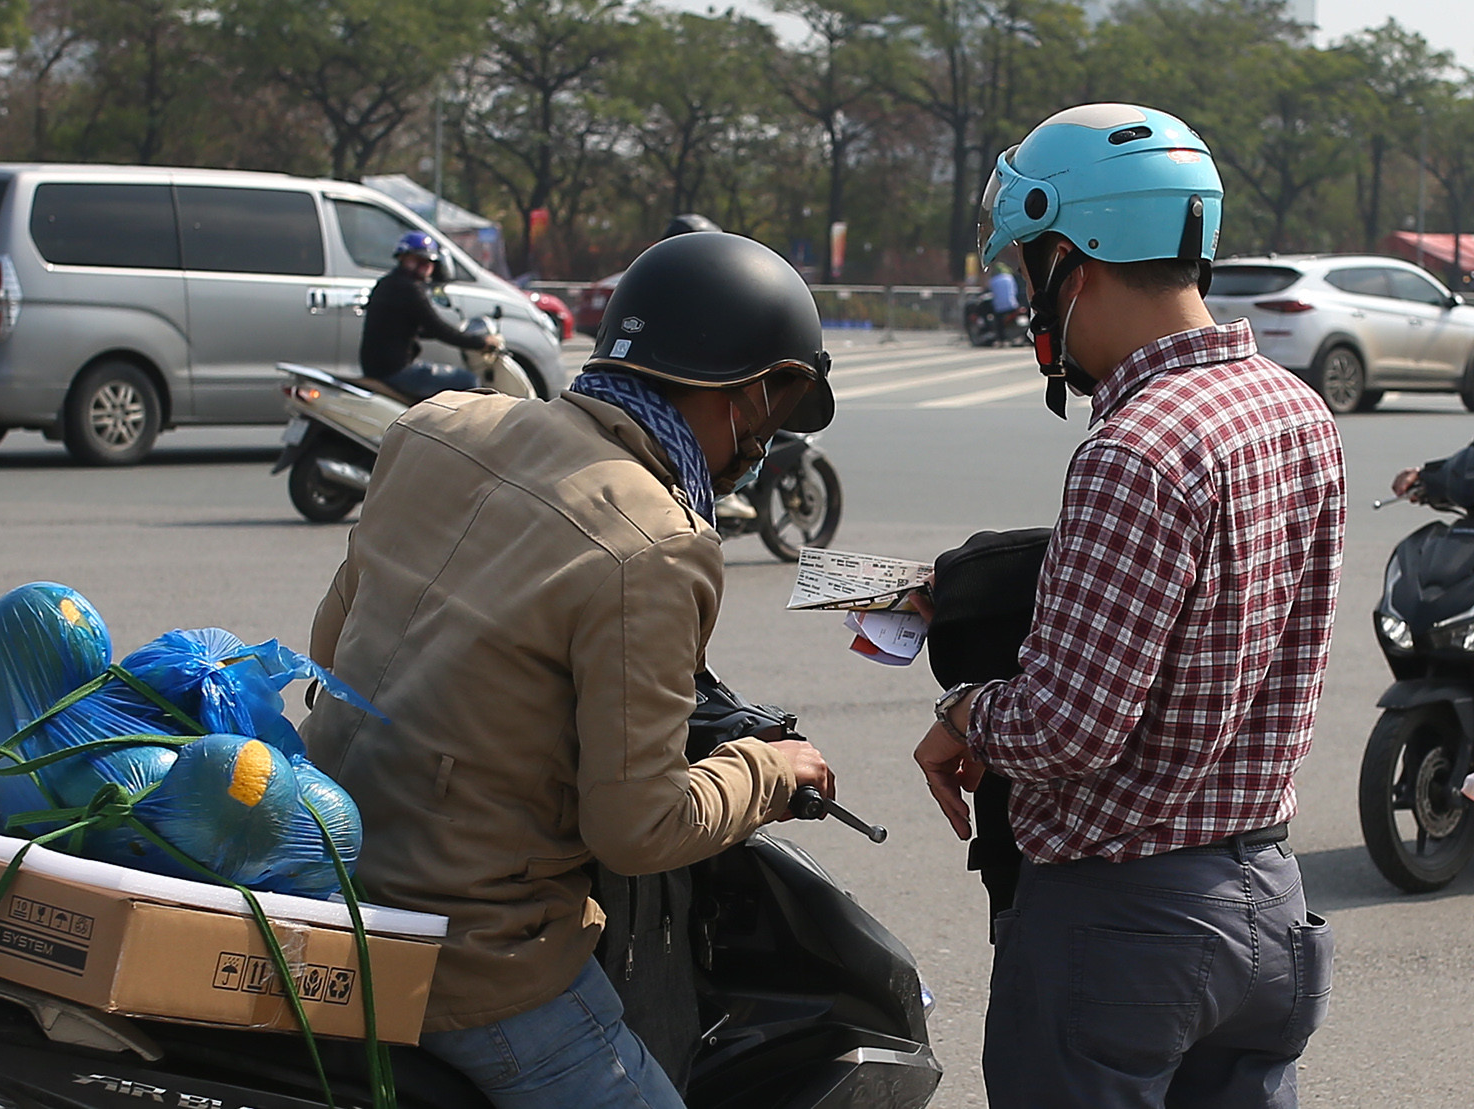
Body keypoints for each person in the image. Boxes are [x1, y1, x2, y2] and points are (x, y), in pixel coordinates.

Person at [301, 231, 837, 1109]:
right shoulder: (658, 542)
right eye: (775, 410)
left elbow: (330, 654)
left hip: (321, 880)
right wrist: (768, 770)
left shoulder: (435, 424)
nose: (764, 440)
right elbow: (639, 825)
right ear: (748, 392)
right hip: (471, 954)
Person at [912, 103, 1345, 1107]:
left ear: (1072, 262)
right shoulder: (1294, 407)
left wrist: (964, 711)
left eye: (1030, 268)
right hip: (1267, 904)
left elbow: (1068, 727)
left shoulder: (1135, 447)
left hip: (1124, 930)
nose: (1030, 298)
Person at [357, 230, 499, 394]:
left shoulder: (386, 283)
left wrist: (456, 335)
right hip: (395, 371)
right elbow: (438, 329)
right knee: (468, 380)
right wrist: (482, 342)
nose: (424, 267)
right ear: (402, 258)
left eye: (428, 262)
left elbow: (401, 327)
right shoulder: (410, 289)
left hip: (376, 369)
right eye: (417, 260)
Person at [987, 262, 1021, 345]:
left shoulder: (993, 280)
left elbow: (993, 293)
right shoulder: (1010, 278)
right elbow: (1015, 291)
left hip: (999, 307)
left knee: (998, 322)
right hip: (1012, 305)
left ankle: (1001, 339)